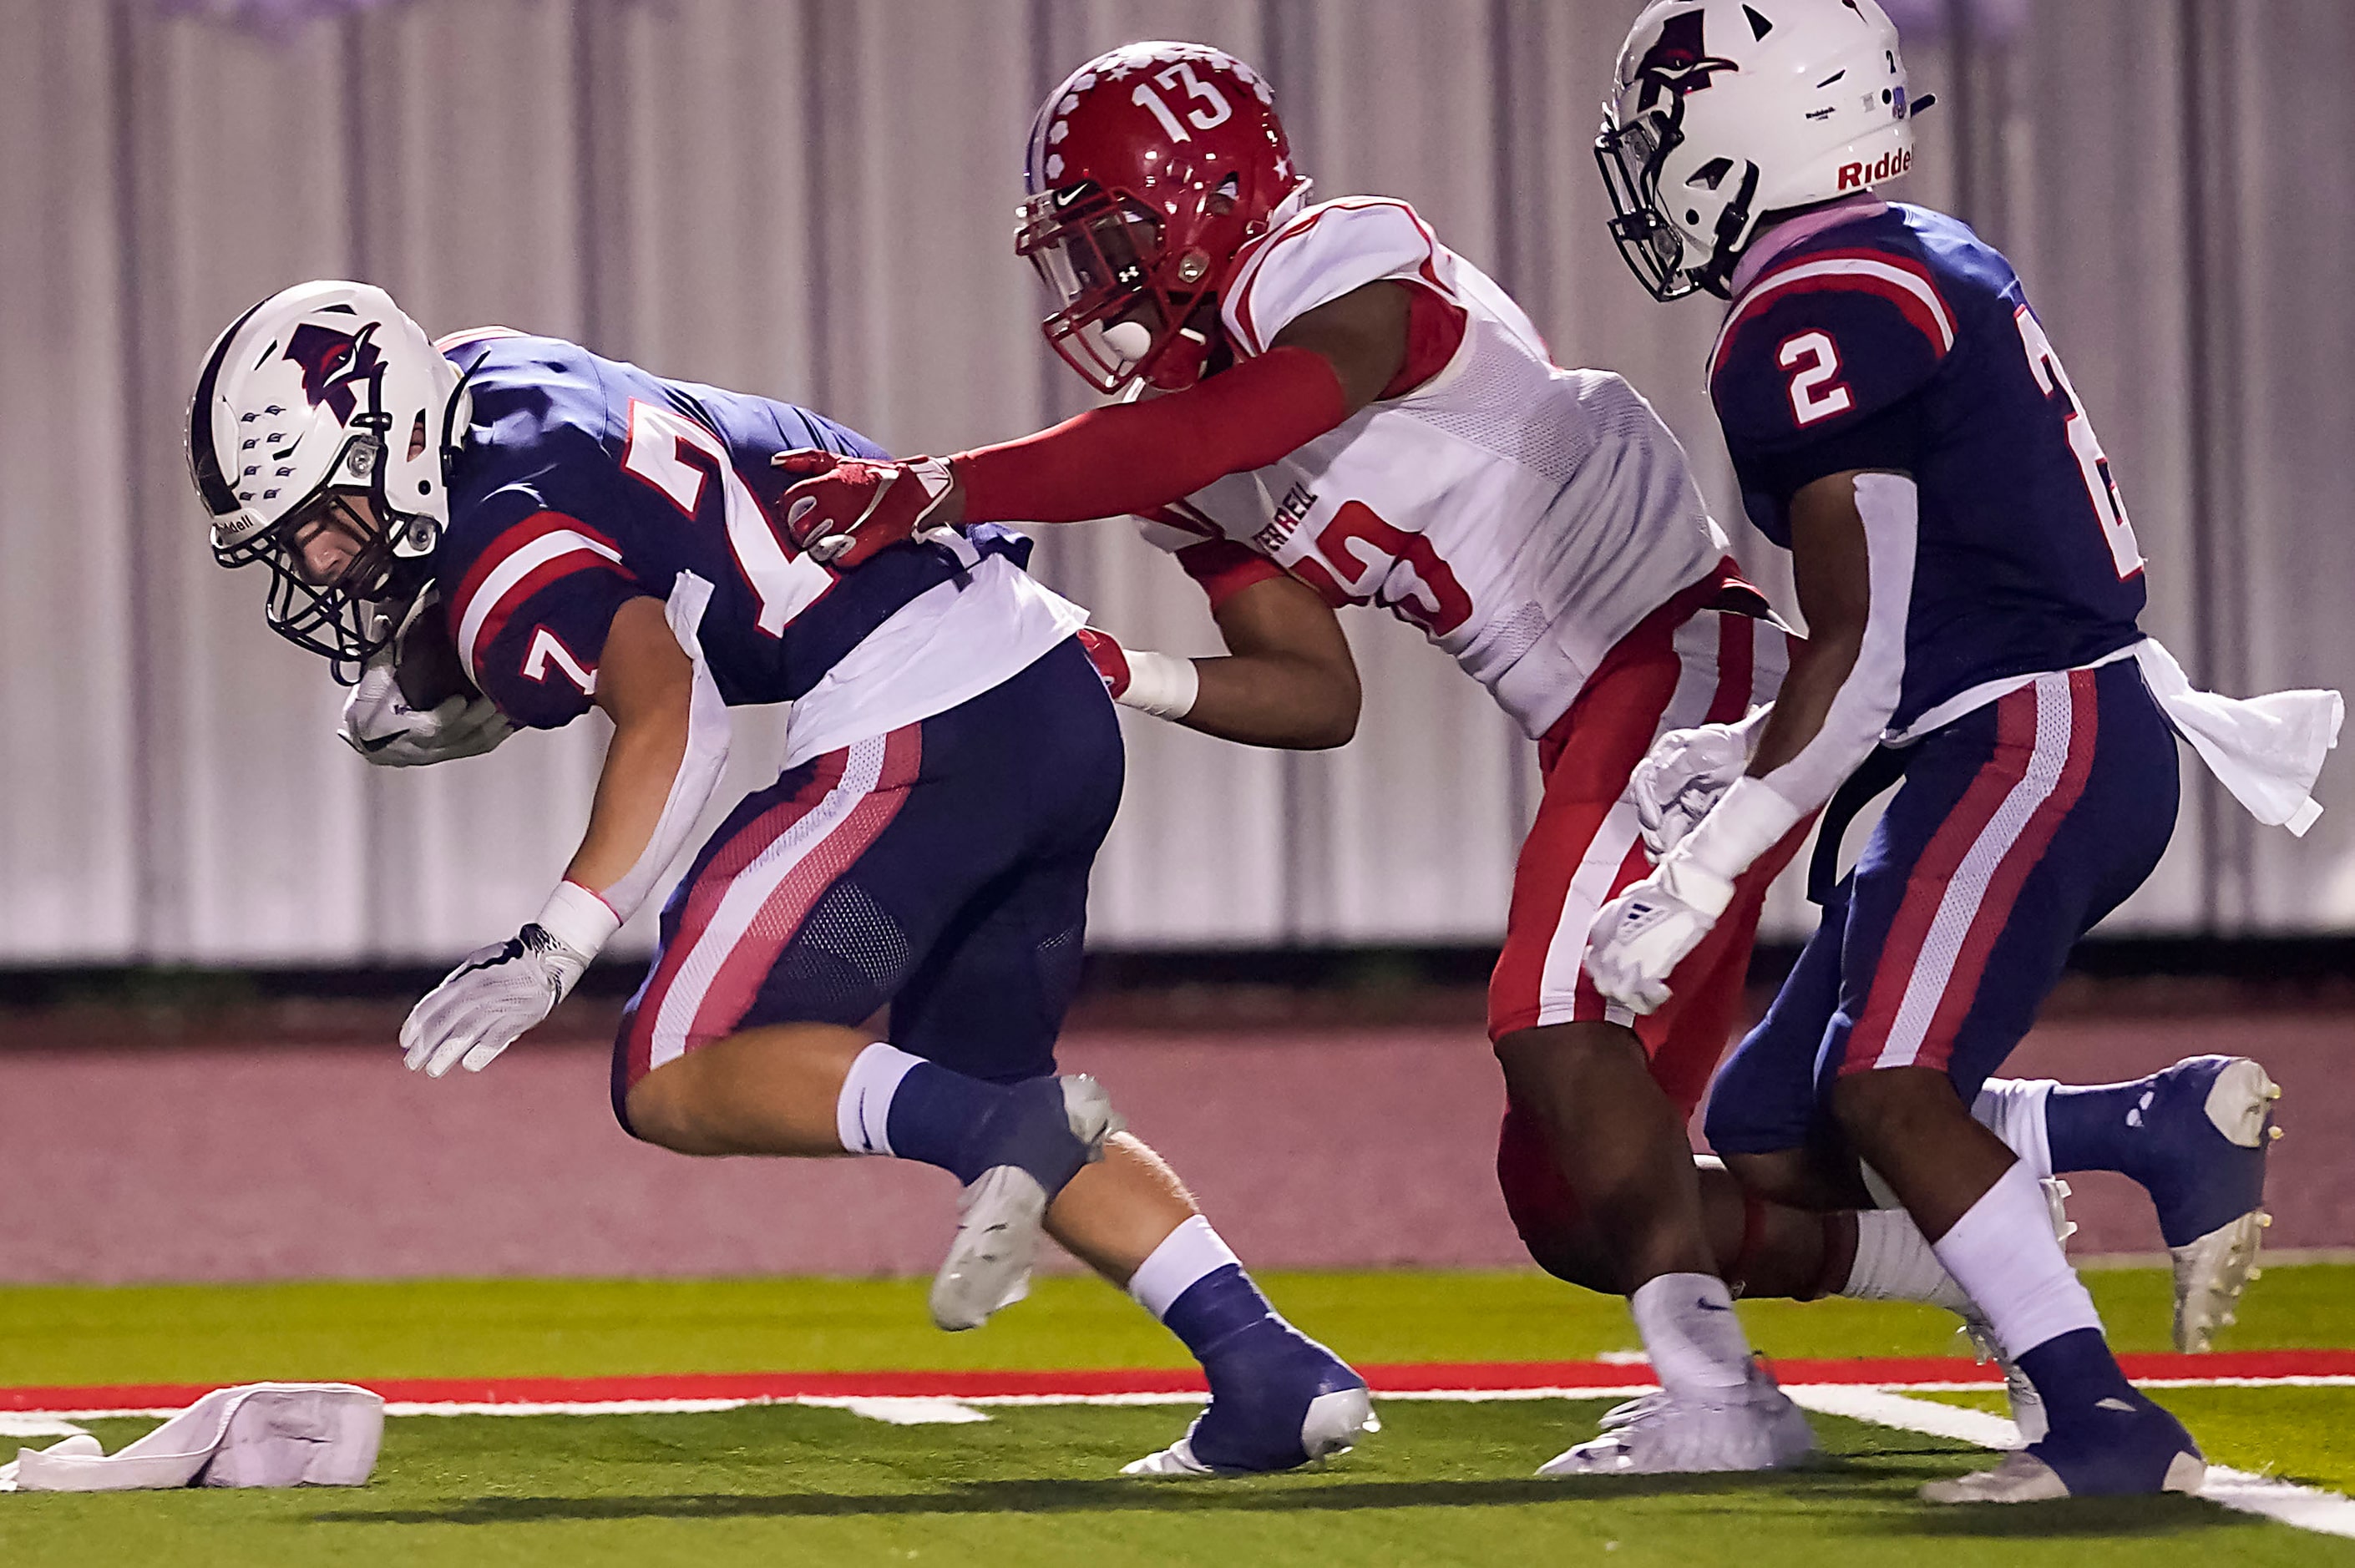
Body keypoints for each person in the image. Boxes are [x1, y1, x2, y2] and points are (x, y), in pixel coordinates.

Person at [185, 280, 1374, 1479]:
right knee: (974, 1081)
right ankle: (1265, 1363)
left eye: (324, 516)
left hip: (925, 718)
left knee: (674, 1066)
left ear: (384, 437)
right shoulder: (484, 372)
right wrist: (480, 654)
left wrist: (551, 945)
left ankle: (1007, 1133)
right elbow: (613, 534)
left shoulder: (505, 549)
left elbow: (675, 714)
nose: (325, 560)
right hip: (1045, 694)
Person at [1583, 0, 2339, 1502]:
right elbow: (1916, 597)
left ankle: (2099, 1422)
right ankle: (2147, 1124)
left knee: (1891, 1087)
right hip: (2001, 718)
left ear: (1748, 133)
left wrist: (1705, 868)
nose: (1654, 167)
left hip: (2028, 730)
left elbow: (1862, 636)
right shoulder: (1895, 256)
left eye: (1669, 130)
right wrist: (1751, 749)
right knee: (1769, 1125)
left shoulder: (1813, 310)